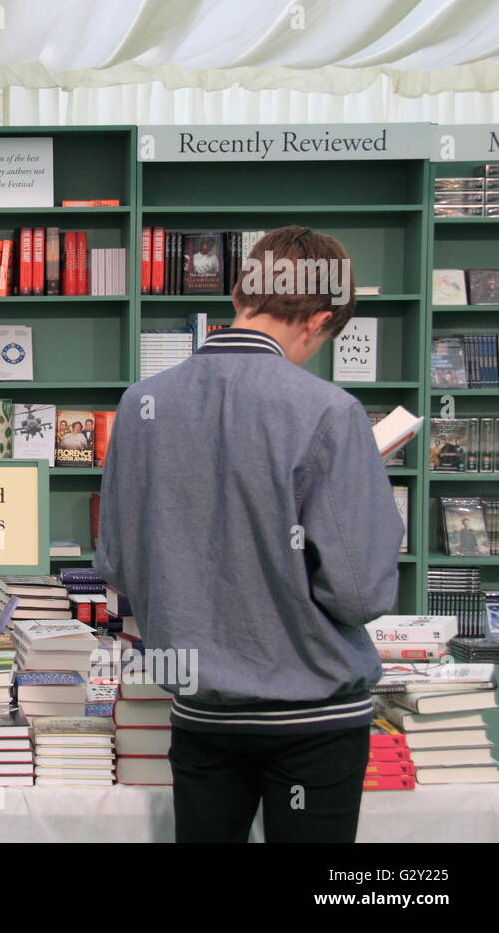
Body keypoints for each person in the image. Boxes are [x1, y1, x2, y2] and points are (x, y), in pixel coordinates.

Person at [96, 225, 402, 843]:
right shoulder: (329, 411)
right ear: (319, 319)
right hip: (313, 713)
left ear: (238, 292)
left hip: (202, 709)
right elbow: (361, 593)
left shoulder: (141, 403)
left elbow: (121, 565)